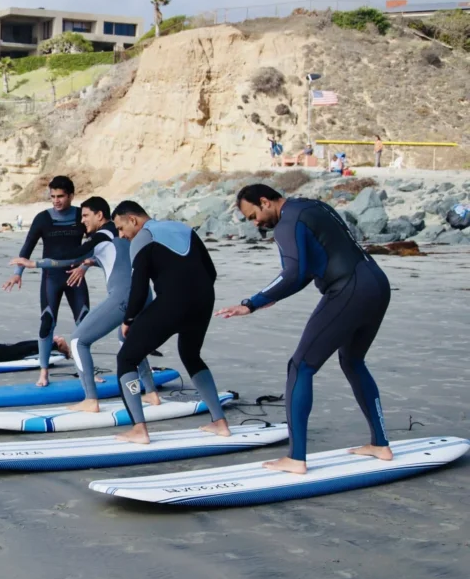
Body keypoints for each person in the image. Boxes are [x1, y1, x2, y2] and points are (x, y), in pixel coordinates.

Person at [216, 184, 392, 474]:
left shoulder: (287, 223)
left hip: (349, 290)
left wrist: (252, 303)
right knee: (352, 360)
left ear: (265, 201)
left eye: (252, 215)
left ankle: (296, 458)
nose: (255, 223)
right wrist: (272, 296)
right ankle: (380, 444)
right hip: (377, 283)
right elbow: (315, 264)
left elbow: (294, 273)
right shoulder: (313, 206)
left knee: (300, 367)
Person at [11, 196, 158, 409]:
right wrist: (93, 261)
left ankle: (90, 399)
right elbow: (118, 259)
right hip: (145, 294)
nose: (82, 221)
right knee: (127, 340)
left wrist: (34, 263)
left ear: (100, 215)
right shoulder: (120, 232)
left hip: (124, 296)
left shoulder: (102, 233)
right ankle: (151, 393)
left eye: (86, 215)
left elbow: (72, 256)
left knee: (79, 341)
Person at [111, 201, 230, 444]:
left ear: (132, 219)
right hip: (204, 300)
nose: (122, 235)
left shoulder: (143, 237)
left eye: (121, 228)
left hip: (174, 303)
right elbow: (211, 271)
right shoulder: (181, 227)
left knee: (127, 358)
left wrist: (129, 319)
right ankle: (220, 422)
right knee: (191, 354)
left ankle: (138, 429)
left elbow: (139, 287)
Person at [3, 176, 89, 387]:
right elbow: (27, 248)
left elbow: (97, 245)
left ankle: (86, 371)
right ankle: (44, 372)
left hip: (75, 276)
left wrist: (84, 267)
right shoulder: (42, 218)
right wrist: (17, 273)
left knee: (85, 325)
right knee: (47, 323)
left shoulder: (81, 216)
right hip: (51, 278)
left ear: (71, 195)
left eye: (61, 196)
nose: (56, 201)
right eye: (53, 197)